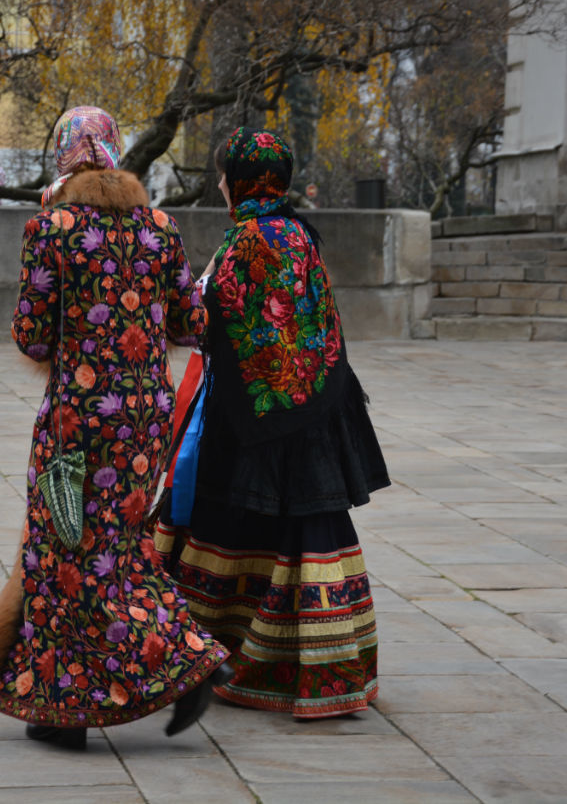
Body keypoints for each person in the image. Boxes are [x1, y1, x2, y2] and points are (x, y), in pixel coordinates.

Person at [0, 106, 229, 750]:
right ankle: (81, 700)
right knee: (121, 548)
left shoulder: (49, 228)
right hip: (145, 423)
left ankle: (163, 671)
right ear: (113, 150)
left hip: (76, 426)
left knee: (61, 553)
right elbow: (194, 324)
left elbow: (29, 333)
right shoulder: (160, 226)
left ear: (66, 153)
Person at [154, 127, 391, 720]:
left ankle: (230, 654)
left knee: (238, 519)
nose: (220, 186)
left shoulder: (247, 241)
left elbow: (202, 318)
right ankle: (320, 665)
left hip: (256, 421)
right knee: (299, 528)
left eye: (221, 177)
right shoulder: (298, 232)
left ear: (237, 180)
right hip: (312, 411)